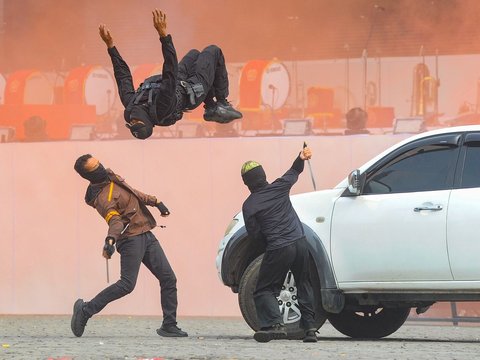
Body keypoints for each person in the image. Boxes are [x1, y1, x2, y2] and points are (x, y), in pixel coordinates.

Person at [71, 154, 187, 338]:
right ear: (89, 176)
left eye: (99, 163)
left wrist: (155, 201)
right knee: (126, 285)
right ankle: (85, 310)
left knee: (168, 278)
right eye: (95, 167)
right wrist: (111, 240)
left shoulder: (110, 176)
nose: (101, 167)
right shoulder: (102, 198)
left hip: (146, 233)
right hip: (130, 239)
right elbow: (115, 221)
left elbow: (132, 192)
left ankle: (169, 325)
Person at [99, 9, 242, 139]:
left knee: (194, 54)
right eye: (137, 121)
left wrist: (110, 46)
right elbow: (169, 70)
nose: (132, 119)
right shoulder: (161, 107)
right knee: (212, 51)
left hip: (179, 81)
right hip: (192, 90)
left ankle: (210, 105)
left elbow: (123, 76)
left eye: (131, 123)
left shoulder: (131, 105)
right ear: (147, 122)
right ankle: (221, 103)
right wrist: (163, 36)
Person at [240, 145, 317, 343]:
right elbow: (294, 171)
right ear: (263, 175)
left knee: (264, 288)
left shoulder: (250, 205)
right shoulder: (279, 186)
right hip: (300, 242)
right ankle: (309, 329)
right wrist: (301, 157)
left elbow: (255, 234)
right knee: (304, 283)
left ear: (246, 183)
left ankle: (274, 325)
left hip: (279, 247)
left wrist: (269, 247)